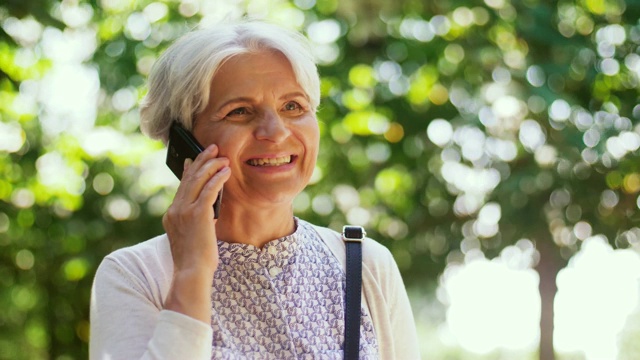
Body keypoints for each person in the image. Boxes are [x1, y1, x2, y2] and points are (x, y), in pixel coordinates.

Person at [89, 19, 420, 359]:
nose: (275, 132)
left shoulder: (366, 264)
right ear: (184, 140)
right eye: (240, 111)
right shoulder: (135, 275)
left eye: (293, 106)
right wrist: (192, 271)